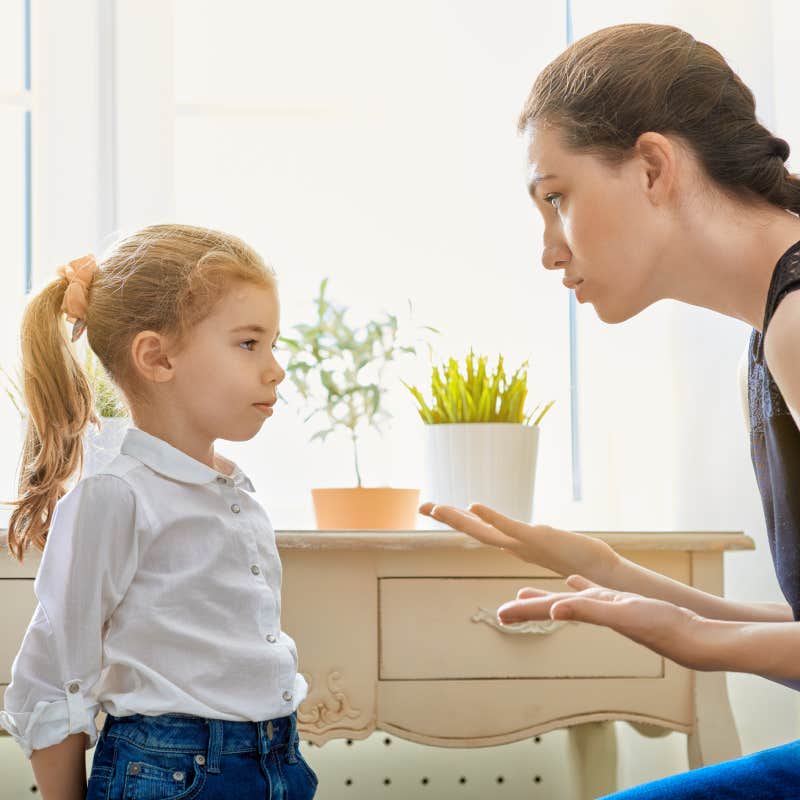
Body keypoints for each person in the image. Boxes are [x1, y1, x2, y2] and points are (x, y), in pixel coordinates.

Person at [420, 22, 800, 799]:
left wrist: (696, 639)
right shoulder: (768, 339)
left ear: (654, 166)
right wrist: (608, 572)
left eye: (556, 197)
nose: (549, 251)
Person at [0, 225, 318, 799]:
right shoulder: (115, 496)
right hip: (174, 775)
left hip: (276, 764)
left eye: (273, 344)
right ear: (157, 357)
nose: (276, 369)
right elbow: (50, 678)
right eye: (249, 344)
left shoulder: (237, 496)